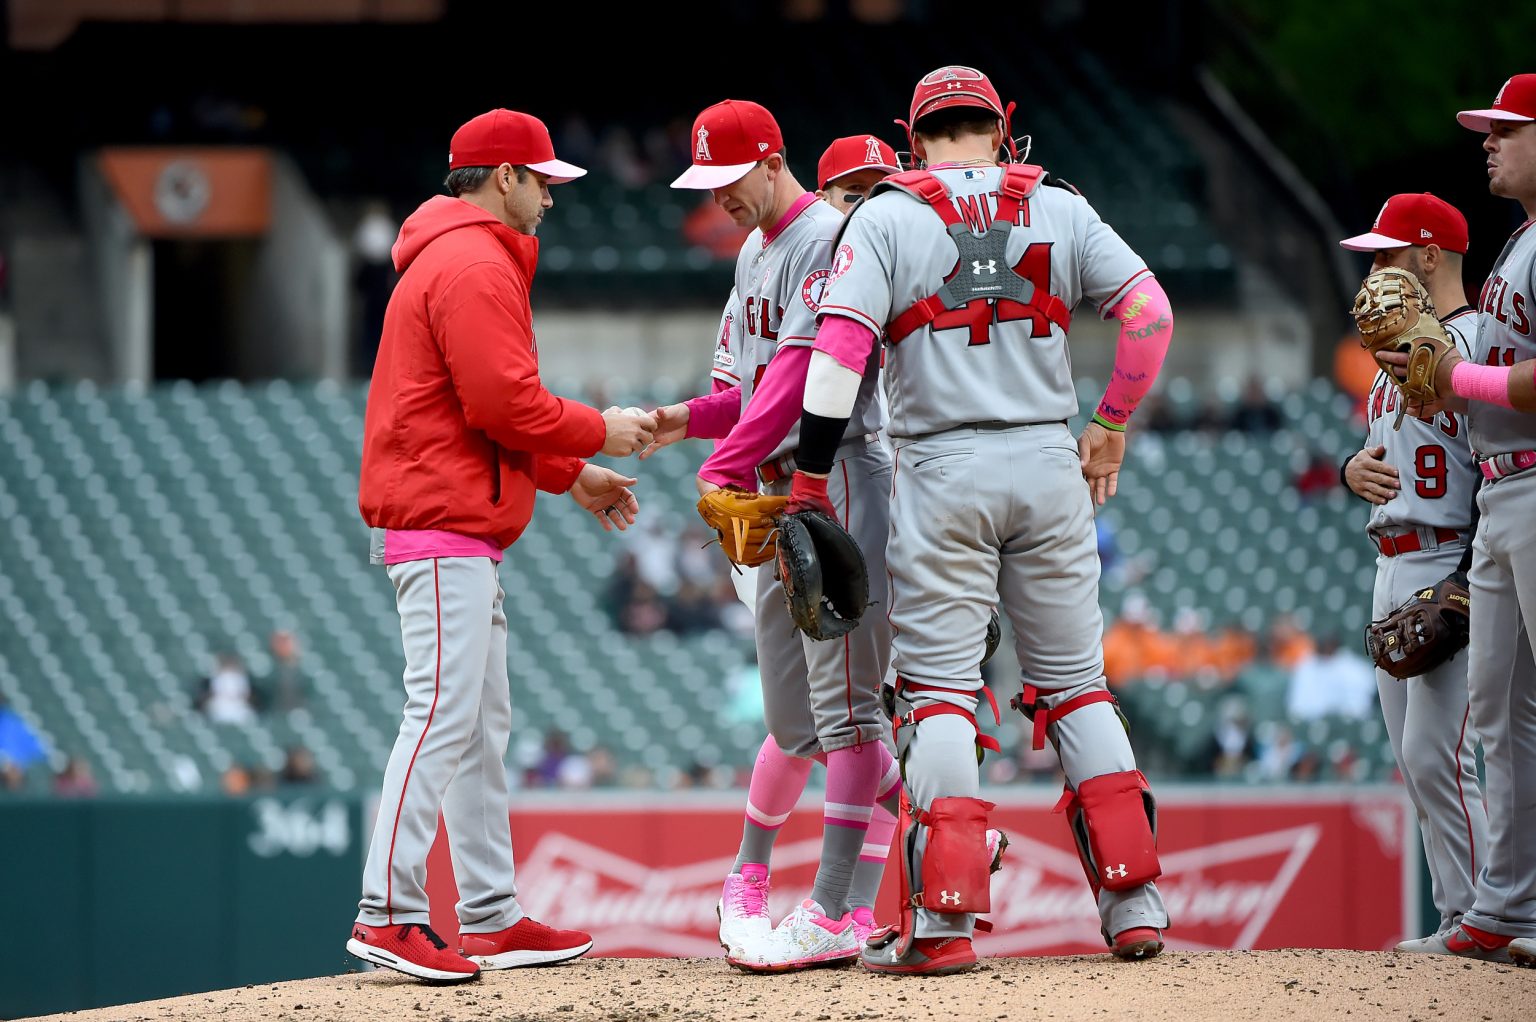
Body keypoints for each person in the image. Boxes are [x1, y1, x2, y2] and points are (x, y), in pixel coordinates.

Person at [785, 65, 1174, 973]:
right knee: (1077, 684)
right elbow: (1149, 316)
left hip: (941, 465)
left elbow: (840, 352)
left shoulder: (882, 215)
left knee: (940, 693)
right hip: (1047, 460)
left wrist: (809, 481)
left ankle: (947, 927)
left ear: (911, 135)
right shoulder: (1065, 207)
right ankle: (1136, 907)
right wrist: (1109, 427)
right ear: (1005, 128)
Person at [348, 107, 657, 984]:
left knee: (480, 727)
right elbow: (501, 404)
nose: (553, 197)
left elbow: (477, 412)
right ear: (505, 178)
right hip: (440, 523)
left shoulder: (464, 254)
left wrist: (571, 474)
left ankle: (488, 913)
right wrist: (603, 432)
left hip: (460, 521)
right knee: (442, 715)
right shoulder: (473, 259)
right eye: (544, 180)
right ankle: (387, 912)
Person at [649, 105, 902, 972]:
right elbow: (745, 389)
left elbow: (801, 376)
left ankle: (843, 907)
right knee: (793, 719)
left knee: (850, 713)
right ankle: (750, 881)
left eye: (728, 181)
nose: (720, 201)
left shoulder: (826, 236)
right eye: (708, 186)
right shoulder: (754, 254)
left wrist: (723, 462)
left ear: (771, 162)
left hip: (837, 476)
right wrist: (682, 422)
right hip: (775, 486)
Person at [1380, 74, 1536, 967]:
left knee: (1495, 725)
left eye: (1509, 129)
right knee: (1496, 719)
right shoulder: (1521, 243)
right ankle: (1501, 906)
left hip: (1505, 502)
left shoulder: (1501, 283)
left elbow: (1487, 387)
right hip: (1495, 501)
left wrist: (1459, 380)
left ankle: (1499, 903)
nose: (1490, 141)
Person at [1337, 192, 1487, 953]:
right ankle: (1459, 915)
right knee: (1414, 758)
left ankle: (1491, 918)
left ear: (1429, 257)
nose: (1375, 272)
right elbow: (1383, 460)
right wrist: (1349, 471)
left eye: (1388, 256)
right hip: (1390, 561)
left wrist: (1466, 571)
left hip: (1450, 557)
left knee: (1439, 754)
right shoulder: (1391, 355)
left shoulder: (1479, 345)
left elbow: (1503, 468)